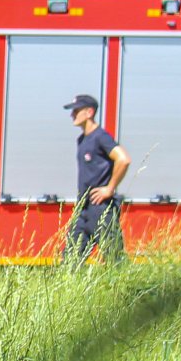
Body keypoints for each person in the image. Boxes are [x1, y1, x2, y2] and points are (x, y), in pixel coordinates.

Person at [63, 94, 130, 262]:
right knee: (70, 260)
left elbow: (123, 159)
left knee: (114, 258)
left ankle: (124, 288)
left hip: (100, 208)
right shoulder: (82, 139)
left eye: (76, 111)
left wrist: (109, 188)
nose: (72, 115)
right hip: (83, 209)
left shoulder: (100, 137)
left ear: (89, 112)